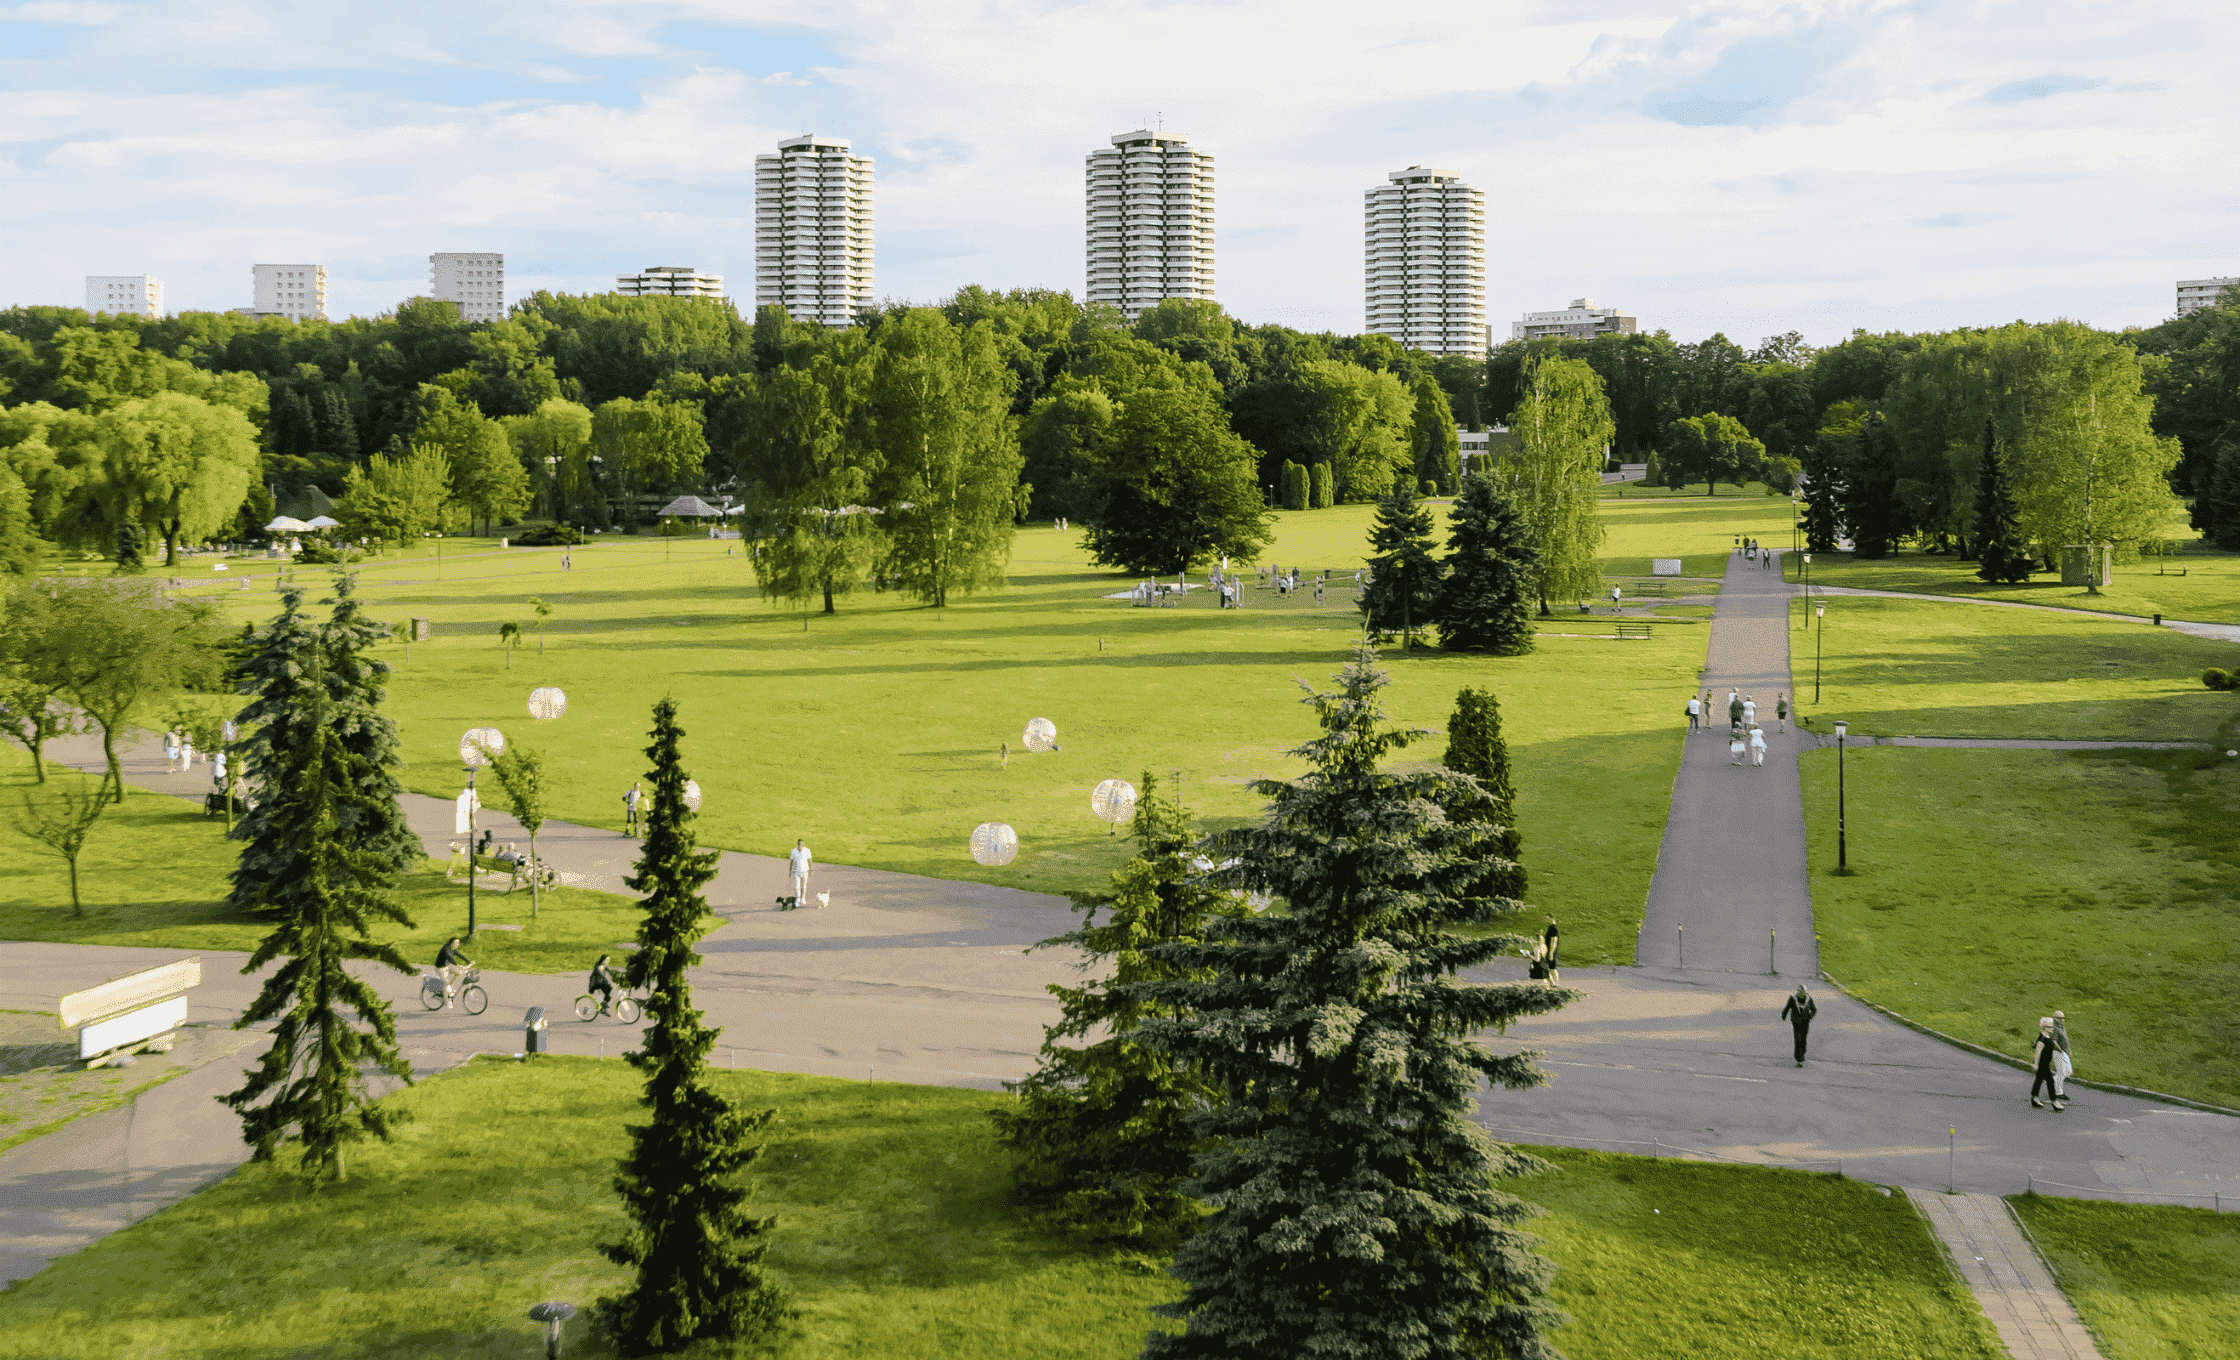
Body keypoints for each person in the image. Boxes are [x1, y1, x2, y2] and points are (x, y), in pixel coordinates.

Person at [2030, 1017, 2064, 1110]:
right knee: (2050, 1081)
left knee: (2039, 1080)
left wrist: (2062, 1051)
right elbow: (2037, 1053)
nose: (2052, 1028)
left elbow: (2053, 1043)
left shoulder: (2048, 1036)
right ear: (2044, 1027)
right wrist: (2036, 1064)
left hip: (2047, 1063)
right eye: (2050, 1026)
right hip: (2042, 1064)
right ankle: (2054, 1101)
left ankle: (2034, 1097)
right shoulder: (2042, 1038)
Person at [1781, 985, 1817, 1066]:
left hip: (1805, 1022)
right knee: (1798, 1040)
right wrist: (1784, 1015)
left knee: (1803, 1040)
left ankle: (1802, 1054)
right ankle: (1799, 1059)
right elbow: (1787, 1007)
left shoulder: (1808, 999)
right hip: (1796, 1022)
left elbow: (1814, 1009)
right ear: (1798, 992)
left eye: (1804, 992)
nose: (1802, 994)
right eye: (1800, 992)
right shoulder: (1793, 999)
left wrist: (1810, 1016)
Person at [435, 937, 473, 1006]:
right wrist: (459, 966)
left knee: (458, 973)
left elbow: (460, 955)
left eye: (458, 943)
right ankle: (446, 1001)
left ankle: (449, 987)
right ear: (452, 943)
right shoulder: (445, 949)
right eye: (456, 943)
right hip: (440, 968)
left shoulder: (453, 949)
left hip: (447, 966)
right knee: (446, 983)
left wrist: (468, 961)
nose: (458, 944)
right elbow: (451, 959)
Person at [2051, 1011, 2073, 1105]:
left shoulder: (2062, 1027)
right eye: (2059, 1018)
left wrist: (2069, 1050)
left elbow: (2065, 1039)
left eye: (2063, 1018)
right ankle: (2058, 1092)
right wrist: (2060, 1049)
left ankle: (2052, 1081)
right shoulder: (2054, 1028)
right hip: (2058, 1052)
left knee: (2068, 1071)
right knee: (2062, 1072)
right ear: (2055, 1018)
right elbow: (2053, 1040)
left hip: (2065, 1052)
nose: (2061, 1020)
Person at [789, 838, 814, 907]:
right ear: (797, 844)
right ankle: (797, 900)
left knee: (803, 886)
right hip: (796, 872)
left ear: (803, 844)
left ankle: (803, 898)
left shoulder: (807, 851)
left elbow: (809, 861)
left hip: (805, 871)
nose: (800, 845)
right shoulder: (793, 851)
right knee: (797, 887)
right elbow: (791, 862)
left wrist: (811, 870)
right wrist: (790, 871)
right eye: (799, 844)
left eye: (802, 844)